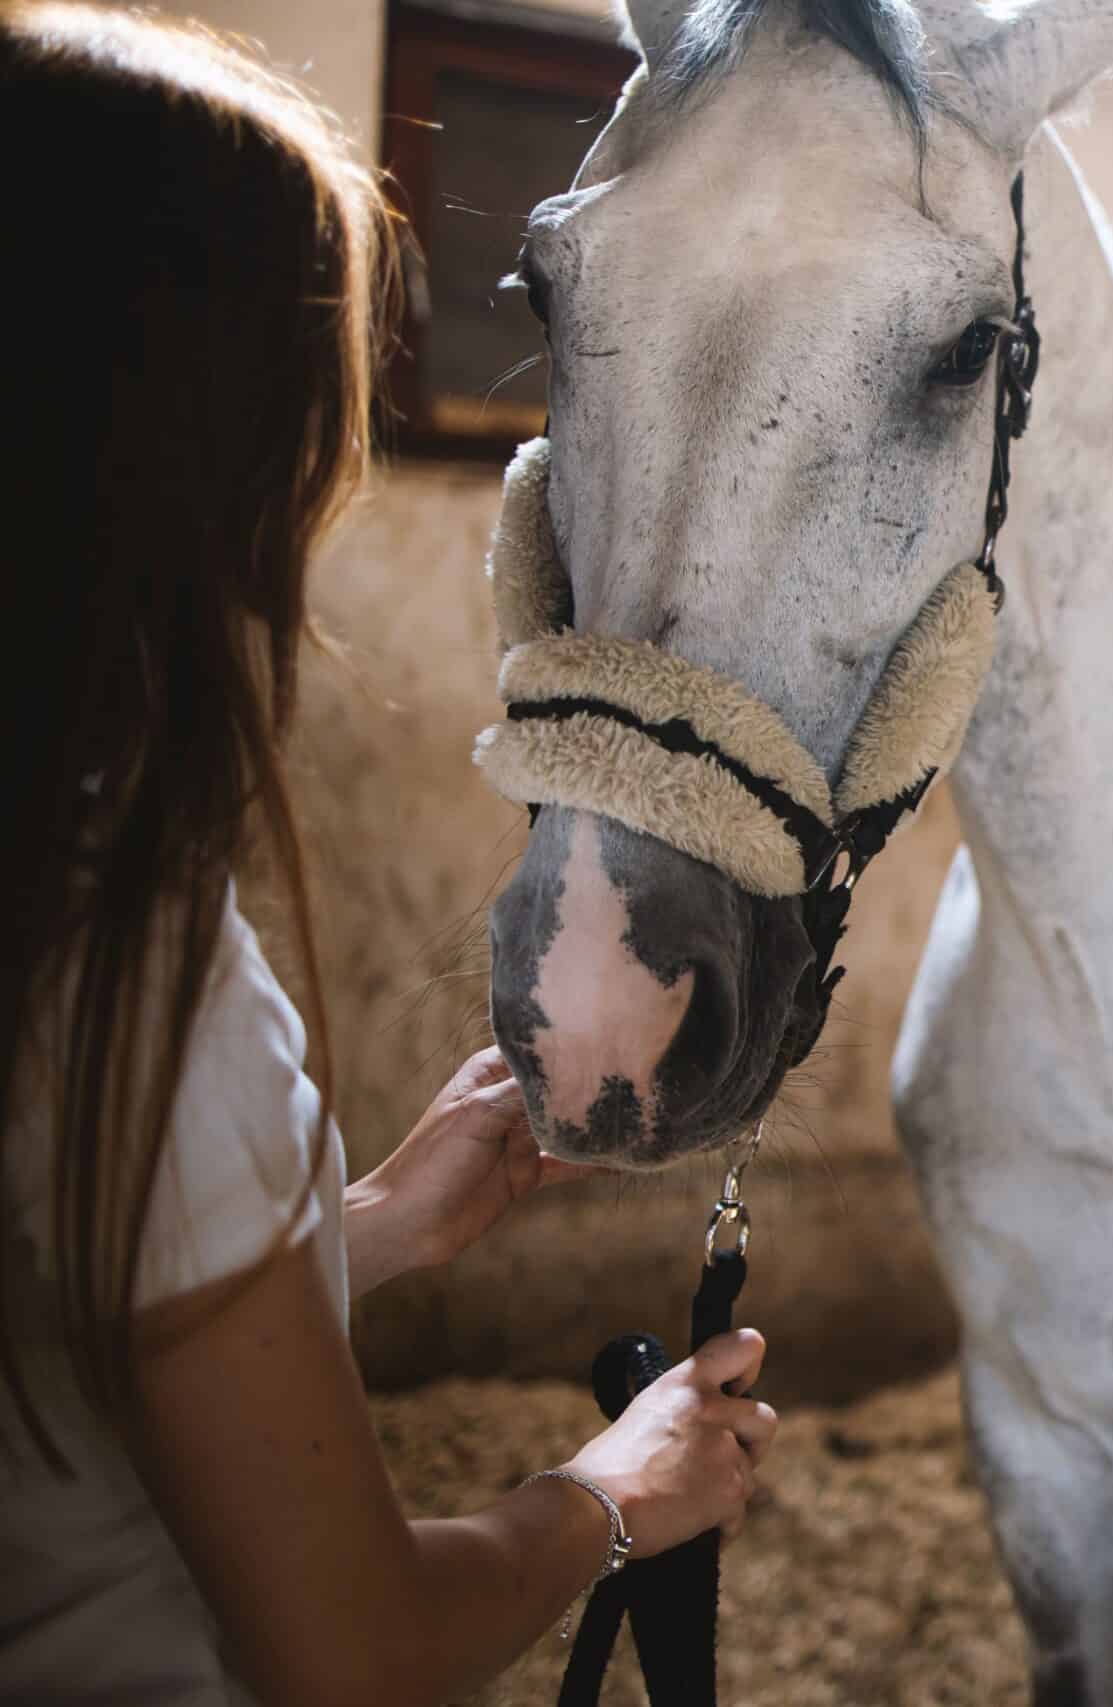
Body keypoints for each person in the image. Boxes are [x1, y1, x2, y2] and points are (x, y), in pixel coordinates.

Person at [0, 9, 775, 1703]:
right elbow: (352, 1651)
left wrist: (370, 1223)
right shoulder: (123, 961)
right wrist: (617, 1490)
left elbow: (56, 1343)